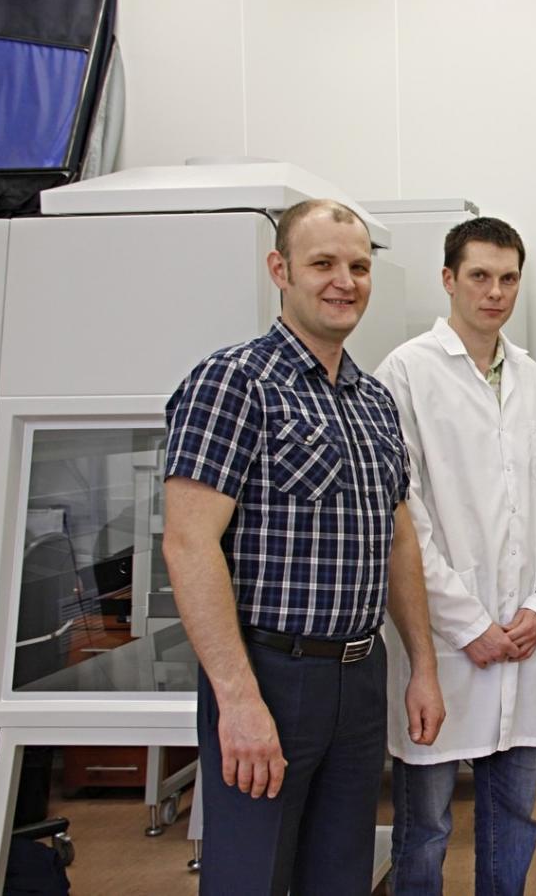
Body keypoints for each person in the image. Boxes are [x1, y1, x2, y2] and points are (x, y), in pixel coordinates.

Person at [162, 198, 445, 896]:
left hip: (359, 675)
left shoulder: (373, 401)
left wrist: (423, 664)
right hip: (269, 673)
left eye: (358, 266)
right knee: (251, 875)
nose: (344, 282)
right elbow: (189, 544)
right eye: (323, 264)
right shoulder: (233, 383)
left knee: (343, 875)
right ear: (280, 270)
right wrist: (238, 700)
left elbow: (397, 538)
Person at [375, 217, 536, 896]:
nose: (495, 292)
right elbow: (405, 518)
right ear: (448, 280)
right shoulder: (405, 373)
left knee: (513, 817)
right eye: (480, 276)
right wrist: (468, 624)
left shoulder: (533, 380)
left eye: (508, 278)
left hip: (522, 636)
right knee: (426, 826)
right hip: (441, 642)